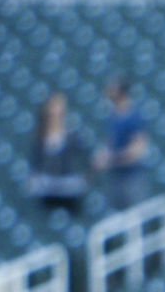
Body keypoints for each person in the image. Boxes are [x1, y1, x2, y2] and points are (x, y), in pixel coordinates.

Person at [27, 92, 89, 214]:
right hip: (47, 192)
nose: (57, 112)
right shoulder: (40, 137)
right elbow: (36, 164)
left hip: (68, 191)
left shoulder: (73, 136)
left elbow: (83, 162)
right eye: (54, 107)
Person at [96, 78, 149, 210]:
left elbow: (138, 151)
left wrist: (112, 159)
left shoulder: (134, 116)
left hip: (132, 178)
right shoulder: (113, 116)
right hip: (116, 177)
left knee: (135, 216)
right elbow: (110, 143)